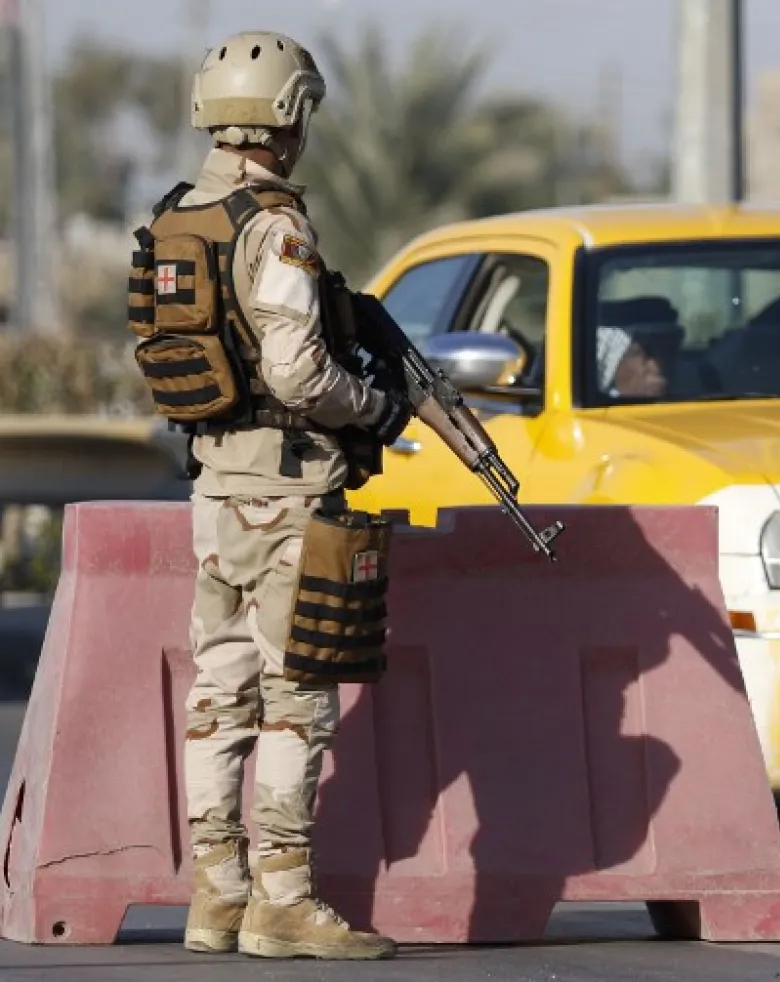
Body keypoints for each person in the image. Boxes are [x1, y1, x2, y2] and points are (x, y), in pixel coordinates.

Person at [141, 31, 408, 960]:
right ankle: (284, 899)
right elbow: (297, 372)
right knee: (297, 696)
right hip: (290, 492)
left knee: (218, 690)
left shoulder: (181, 215)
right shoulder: (274, 223)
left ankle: (217, 896)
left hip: (216, 486)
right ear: (288, 118)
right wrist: (371, 405)